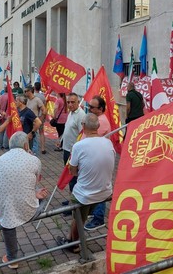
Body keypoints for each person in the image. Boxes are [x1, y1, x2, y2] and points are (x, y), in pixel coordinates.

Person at [55, 113, 115, 253]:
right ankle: (70, 238)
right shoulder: (108, 142)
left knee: (78, 216)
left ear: (83, 126)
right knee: (80, 216)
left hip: (86, 193)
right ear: (98, 126)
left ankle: (74, 245)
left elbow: (73, 171)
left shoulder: (79, 146)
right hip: (105, 191)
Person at [0, 131, 49, 269]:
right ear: (26, 145)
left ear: (10, 145)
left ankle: (12, 259)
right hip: (28, 209)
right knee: (42, 196)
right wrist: (35, 194)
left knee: (8, 217)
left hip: (3, 209)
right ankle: (36, 205)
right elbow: (33, 184)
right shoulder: (34, 160)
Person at [82, 95, 112, 231]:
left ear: (100, 109)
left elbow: (89, 135)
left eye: (92, 107)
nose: (89, 109)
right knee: (95, 187)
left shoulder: (101, 122)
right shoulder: (95, 119)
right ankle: (93, 212)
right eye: (89, 106)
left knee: (100, 188)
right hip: (92, 158)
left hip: (97, 160)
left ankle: (99, 218)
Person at [25, 85, 47, 154]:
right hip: (27, 123)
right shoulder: (27, 100)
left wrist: (40, 119)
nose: (24, 93)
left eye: (26, 91)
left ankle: (35, 154)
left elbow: (44, 110)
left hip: (35, 123)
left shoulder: (37, 100)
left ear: (30, 91)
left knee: (34, 139)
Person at [33, 82, 47, 153]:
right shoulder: (43, 96)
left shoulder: (33, 96)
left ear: (34, 87)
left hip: (35, 117)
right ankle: (43, 148)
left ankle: (33, 147)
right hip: (41, 116)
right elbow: (45, 106)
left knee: (33, 132)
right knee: (41, 132)